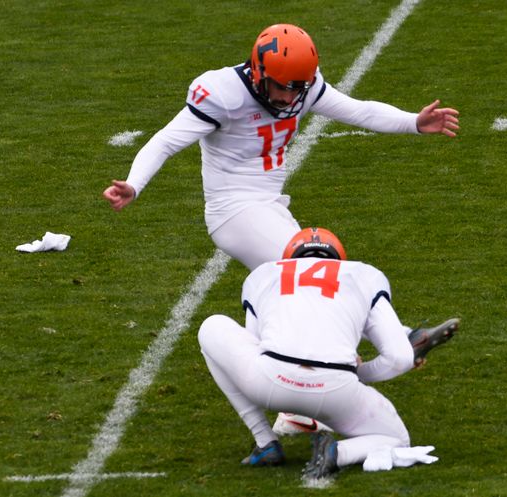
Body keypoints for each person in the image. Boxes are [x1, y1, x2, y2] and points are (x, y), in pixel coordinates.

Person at [103, 23, 459, 270]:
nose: (289, 97)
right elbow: (165, 141)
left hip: (271, 204)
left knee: (308, 276)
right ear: (258, 72)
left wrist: (413, 122)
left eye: (297, 89)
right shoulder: (224, 93)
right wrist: (135, 184)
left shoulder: (303, 88)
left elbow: (359, 111)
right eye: (282, 87)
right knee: (311, 270)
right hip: (233, 209)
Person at [197, 227, 459, 478]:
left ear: (290, 258)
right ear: (339, 258)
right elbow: (401, 358)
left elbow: (254, 341)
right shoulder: (363, 275)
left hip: (270, 383)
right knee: (396, 438)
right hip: (337, 389)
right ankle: (337, 452)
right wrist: (358, 373)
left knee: (211, 327)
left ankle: (265, 442)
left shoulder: (264, 274)